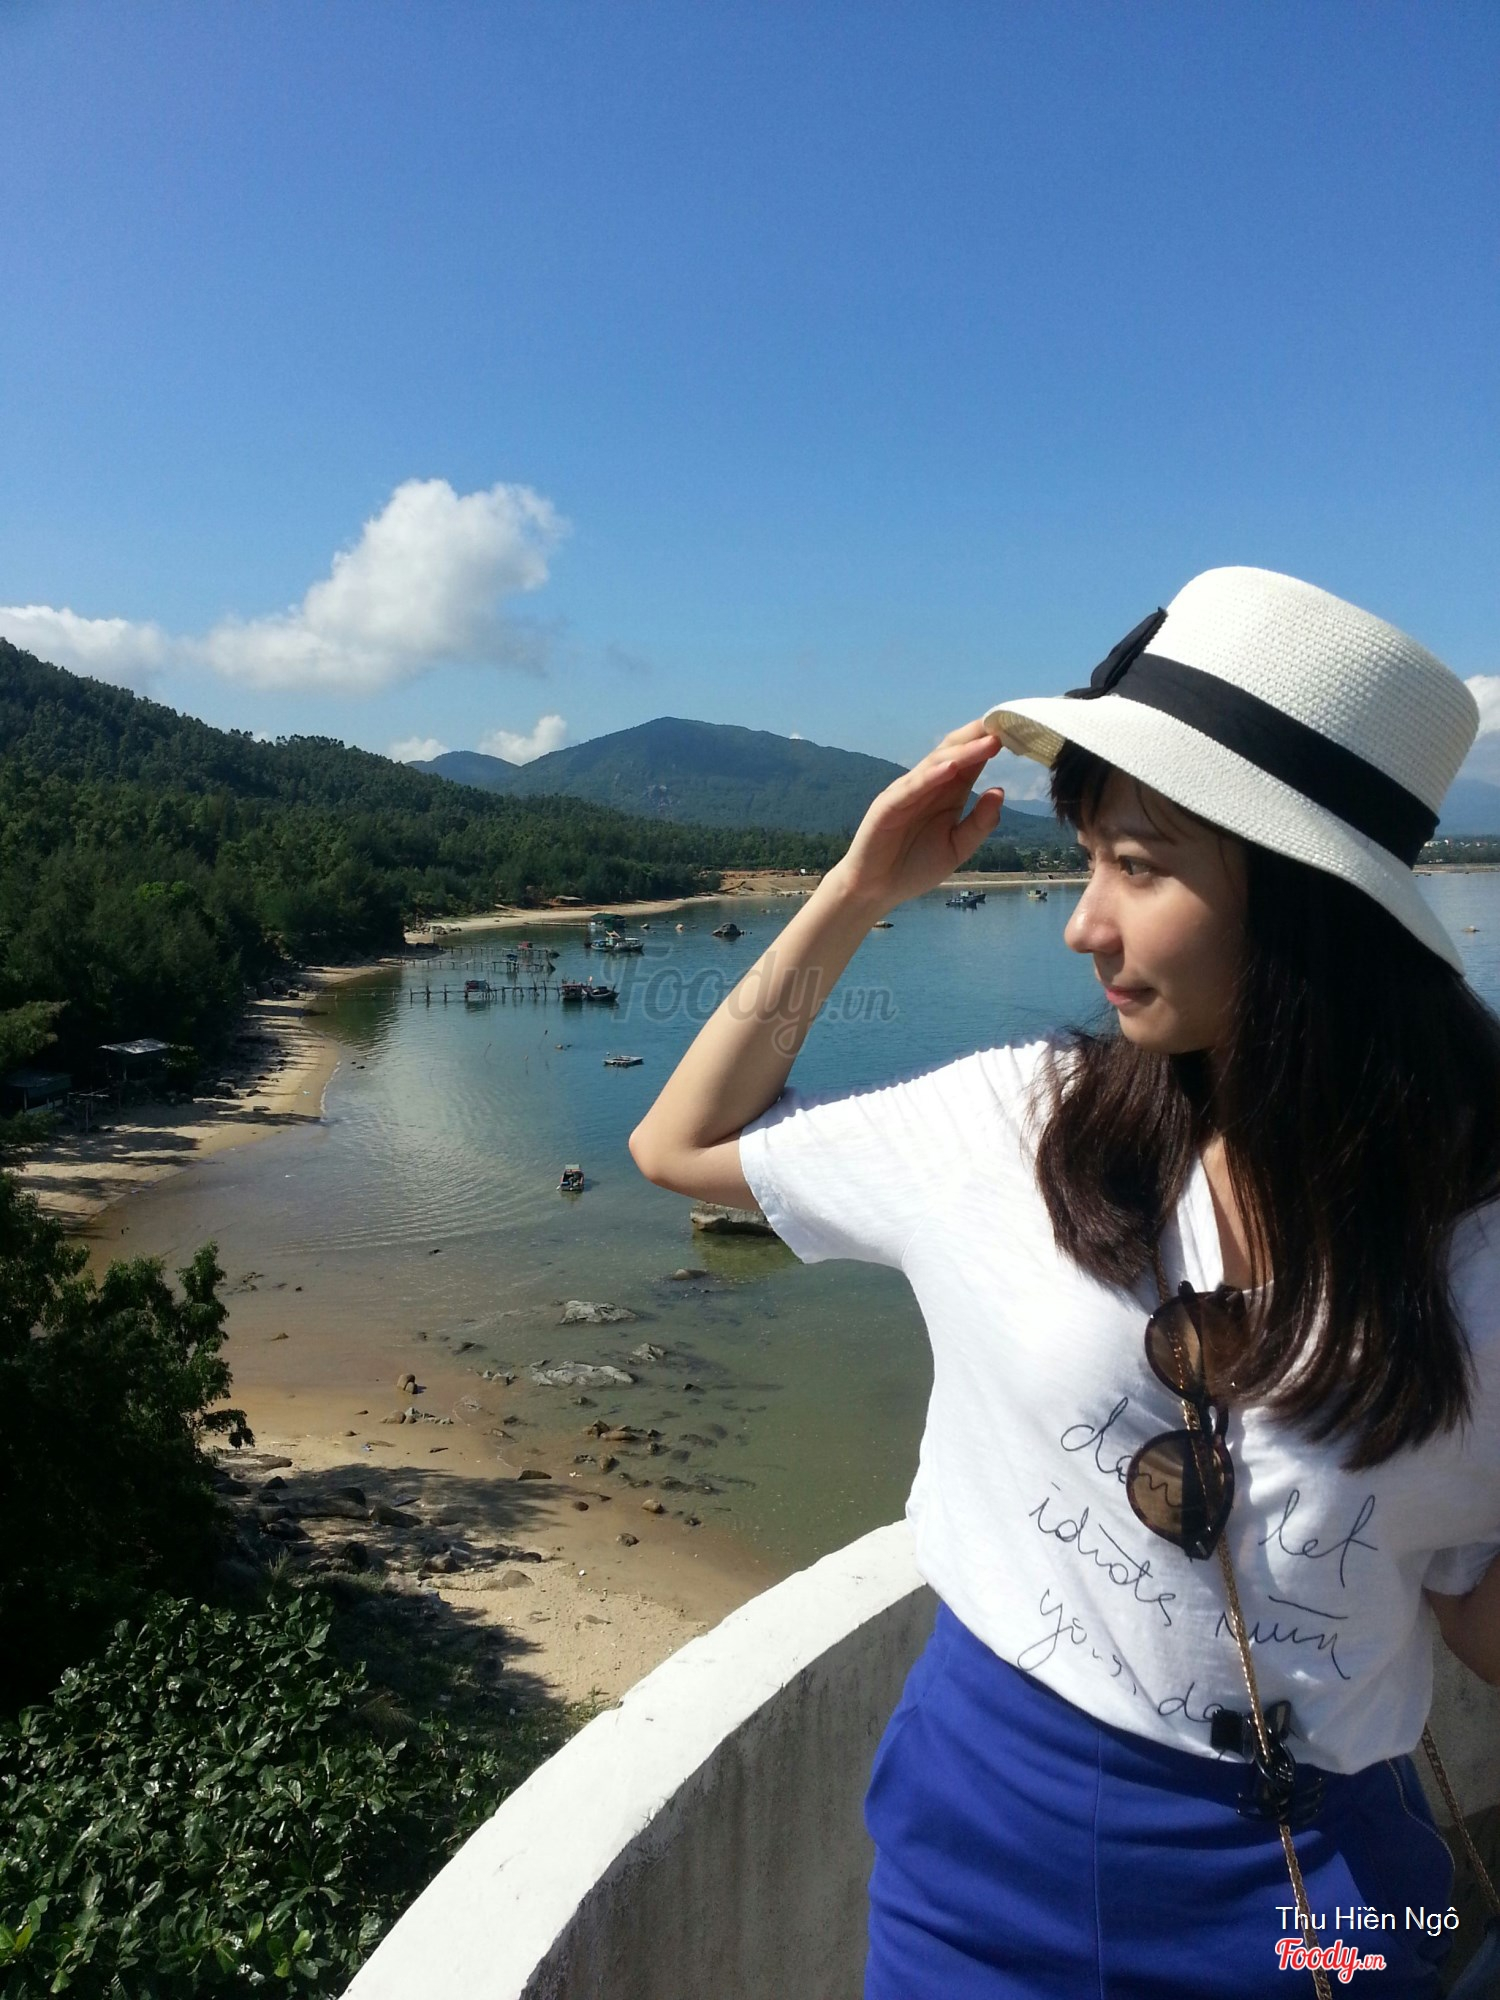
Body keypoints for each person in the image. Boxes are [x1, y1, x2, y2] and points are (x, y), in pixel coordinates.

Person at [628, 567, 1500, 1998]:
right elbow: (679, 1143)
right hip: (976, 1851)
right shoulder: (1025, 1121)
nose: (1082, 925)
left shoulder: (1474, 1236)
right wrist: (857, 891)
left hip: (1327, 1900)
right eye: (1089, 859)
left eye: (1138, 867)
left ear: (1308, 906)